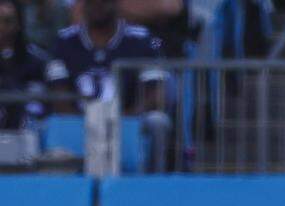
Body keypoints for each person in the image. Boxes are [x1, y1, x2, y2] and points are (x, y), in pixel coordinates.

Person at [45, 0, 171, 171]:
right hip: (77, 121)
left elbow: (156, 93)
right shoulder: (65, 40)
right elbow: (58, 93)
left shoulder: (141, 38)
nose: (98, 6)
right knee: (45, 124)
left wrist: (123, 120)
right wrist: (87, 123)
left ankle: (154, 181)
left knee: (158, 121)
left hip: (128, 119)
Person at [0, 0, 49, 130]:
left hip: (28, 133)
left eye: (7, 21)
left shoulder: (37, 60)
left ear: (18, 24)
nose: (1, 27)